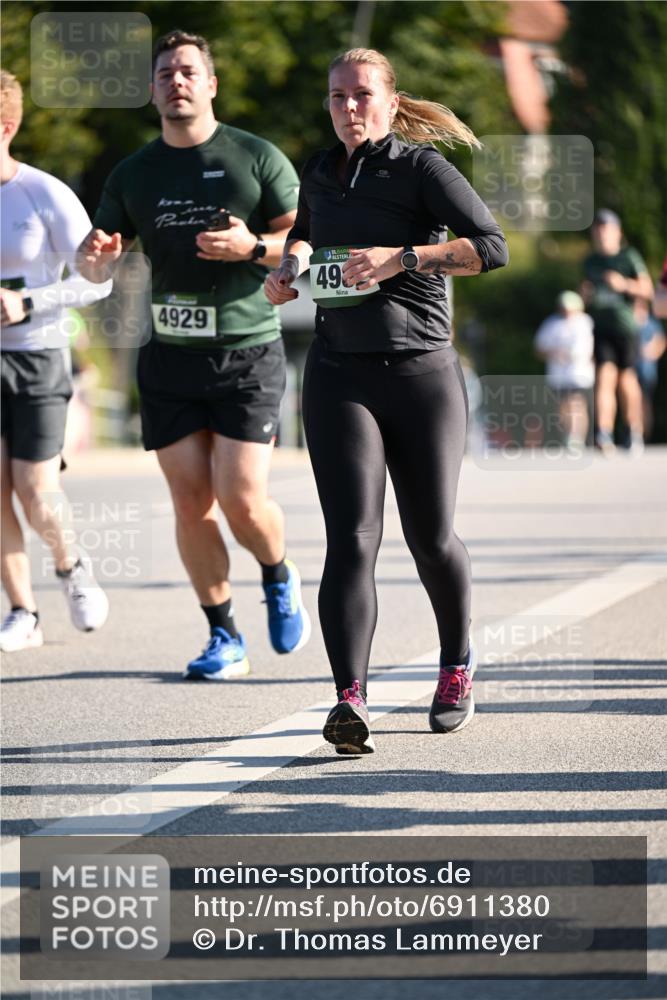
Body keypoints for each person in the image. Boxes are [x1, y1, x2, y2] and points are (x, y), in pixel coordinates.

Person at [265, 48, 508, 753]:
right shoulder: (319, 169)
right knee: (351, 539)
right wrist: (288, 266)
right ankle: (350, 700)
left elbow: (491, 248)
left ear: (389, 100)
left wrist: (401, 257)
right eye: (337, 96)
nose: (348, 107)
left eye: (361, 94)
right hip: (339, 371)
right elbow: (306, 231)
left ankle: (456, 662)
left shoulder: (422, 170)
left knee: (428, 536)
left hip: (420, 375)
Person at [77, 31, 309, 679]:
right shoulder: (133, 173)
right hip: (170, 357)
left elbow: (302, 239)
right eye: (164, 74)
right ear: (152, 90)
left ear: (210, 84)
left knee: (241, 499)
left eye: (187, 71)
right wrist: (93, 262)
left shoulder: (254, 157)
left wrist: (253, 251)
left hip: (245, 349)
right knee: (190, 505)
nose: (175, 81)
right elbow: (98, 267)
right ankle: (223, 635)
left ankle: (277, 571)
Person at [0, 69, 110, 653]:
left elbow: (98, 284)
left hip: (37, 354)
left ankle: (71, 567)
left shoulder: (43, 193)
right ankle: (23, 610)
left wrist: (28, 301)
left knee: (34, 488)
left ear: (6, 125)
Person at [580, 209, 653, 455]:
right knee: (604, 377)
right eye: (598, 228)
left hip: (626, 328)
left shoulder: (628, 256)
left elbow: (648, 289)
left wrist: (624, 284)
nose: (602, 233)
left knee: (627, 380)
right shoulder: (590, 261)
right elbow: (583, 296)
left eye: (606, 228)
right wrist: (585, 296)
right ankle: (604, 432)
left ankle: (633, 430)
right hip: (601, 328)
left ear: (617, 232)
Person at [534, 290, 594, 452]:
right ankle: (568, 436)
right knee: (562, 406)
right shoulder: (552, 323)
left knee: (576, 404)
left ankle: (577, 437)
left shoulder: (585, 322)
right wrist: (554, 353)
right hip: (558, 374)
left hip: (578, 373)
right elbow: (540, 348)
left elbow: (588, 349)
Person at [633, 297, 666, 442]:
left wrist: (651, 353)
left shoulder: (652, 324)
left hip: (647, 369)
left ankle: (644, 435)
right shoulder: (630, 323)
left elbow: (661, 342)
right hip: (631, 368)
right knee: (634, 400)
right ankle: (635, 432)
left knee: (644, 402)